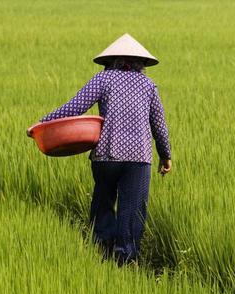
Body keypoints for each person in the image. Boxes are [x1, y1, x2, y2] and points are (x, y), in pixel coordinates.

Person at [37, 33, 172, 265]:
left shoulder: (103, 79)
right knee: (132, 211)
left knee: (103, 202)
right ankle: (126, 260)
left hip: (106, 155)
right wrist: (165, 156)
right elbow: (159, 125)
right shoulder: (149, 86)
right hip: (139, 159)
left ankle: (102, 254)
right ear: (141, 64)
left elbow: (74, 107)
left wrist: (43, 123)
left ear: (110, 61)